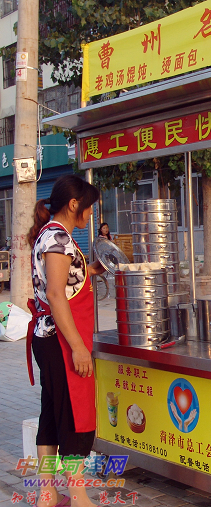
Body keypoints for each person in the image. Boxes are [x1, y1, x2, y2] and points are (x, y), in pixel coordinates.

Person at [26, 175, 104, 507]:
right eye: (88, 207)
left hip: (48, 338)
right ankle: (79, 497)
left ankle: (47, 494)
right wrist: (79, 348)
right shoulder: (58, 238)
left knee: (50, 415)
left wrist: (91, 271)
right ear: (74, 205)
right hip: (60, 341)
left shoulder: (50, 234)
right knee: (74, 417)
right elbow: (57, 295)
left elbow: (62, 280)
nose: (90, 213)